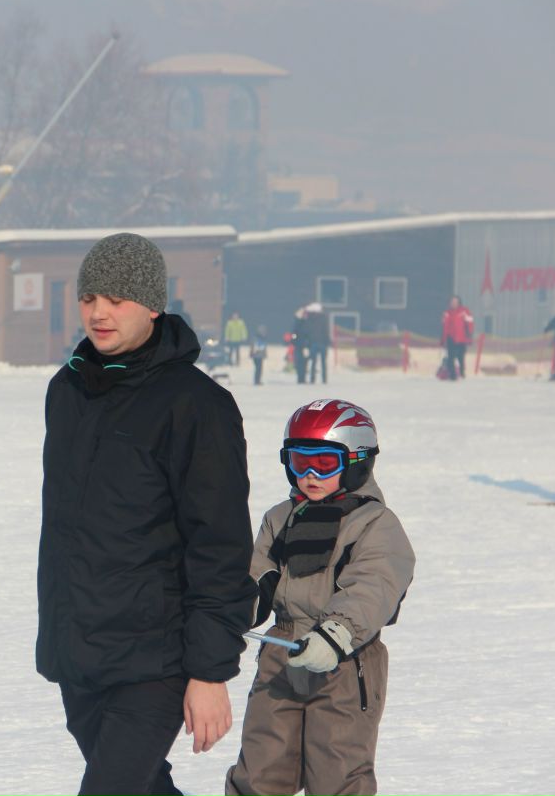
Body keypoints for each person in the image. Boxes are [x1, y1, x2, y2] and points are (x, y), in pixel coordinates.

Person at [37, 232, 259, 796]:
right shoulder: (67, 390)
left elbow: (220, 547)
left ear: (153, 305)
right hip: (80, 652)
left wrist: (209, 671)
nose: (99, 312)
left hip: (156, 659)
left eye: (116, 299)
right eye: (89, 297)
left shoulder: (196, 405)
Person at [226, 399, 415, 796]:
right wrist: (230, 610)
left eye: (325, 464)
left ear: (358, 461)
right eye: (300, 462)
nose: (310, 475)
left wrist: (336, 633)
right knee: (261, 766)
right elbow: (257, 576)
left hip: (344, 660)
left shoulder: (374, 523)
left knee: (336, 771)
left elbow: (373, 587)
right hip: (281, 654)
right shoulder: (280, 518)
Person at [440, 295, 474, 380]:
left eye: (455, 302)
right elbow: (445, 327)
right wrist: (443, 339)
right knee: (451, 357)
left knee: (461, 357)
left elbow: (470, 323)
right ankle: (453, 375)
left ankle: (462, 372)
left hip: (462, 338)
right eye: (452, 302)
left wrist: (469, 334)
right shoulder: (447, 313)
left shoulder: (464, 311)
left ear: (459, 303)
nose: (453, 303)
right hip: (451, 338)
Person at [304, 302, 329, 384]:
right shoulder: (324, 318)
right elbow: (326, 331)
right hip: (322, 343)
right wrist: (327, 342)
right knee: (323, 363)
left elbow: (307, 331)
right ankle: (324, 379)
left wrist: (307, 343)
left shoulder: (309, 319)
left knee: (313, 362)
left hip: (313, 343)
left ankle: (312, 379)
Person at [290, 307, 309, 384]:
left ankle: (302, 378)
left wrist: (294, 340)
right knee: (301, 362)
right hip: (301, 345)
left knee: (303, 362)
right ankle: (300, 378)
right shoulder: (300, 323)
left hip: (303, 346)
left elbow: (294, 334)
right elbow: (294, 334)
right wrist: (294, 340)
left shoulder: (301, 323)